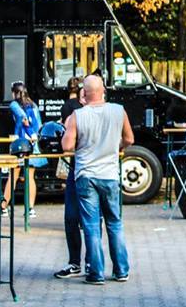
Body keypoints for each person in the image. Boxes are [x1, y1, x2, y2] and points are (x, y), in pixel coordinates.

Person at [62, 75, 134, 285]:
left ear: (84, 93)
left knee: (91, 226)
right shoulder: (119, 111)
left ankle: (96, 273)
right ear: (103, 90)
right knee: (115, 223)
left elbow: (67, 146)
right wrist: (115, 147)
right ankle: (121, 270)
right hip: (110, 175)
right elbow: (129, 139)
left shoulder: (77, 116)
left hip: (86, 175)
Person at [54, 77, 86, 279]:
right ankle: (95, 265)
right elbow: (127, 140)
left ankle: (77, 263)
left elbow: (66, 146)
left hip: (81, 171)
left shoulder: (72, 114)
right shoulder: (113, 112)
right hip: (99, 173)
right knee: (95, 221)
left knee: (75, 219)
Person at [0, 82, 44, 218]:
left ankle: (3, 206)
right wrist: (35, 135)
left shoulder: (14, 105)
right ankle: (30, 209)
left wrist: (28, 132)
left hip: (21, 145)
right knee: (30, 176)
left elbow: (23, 120)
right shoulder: (34, 105)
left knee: (13, 175)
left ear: (14, 93)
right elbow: (38, 124)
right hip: (34, 145)